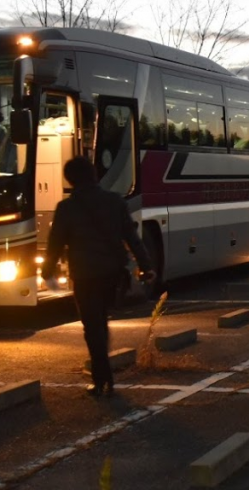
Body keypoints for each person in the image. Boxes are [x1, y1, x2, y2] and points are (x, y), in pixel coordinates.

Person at [41, 156, 155, 396]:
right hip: (112, 273)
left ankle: (102, 378)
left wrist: (47, 272)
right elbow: (132, 237)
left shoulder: (66, 208)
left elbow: (55, 244)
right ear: (94, 175)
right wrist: (146, 266)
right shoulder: (114, 201)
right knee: (101, 320)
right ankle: (104, 375)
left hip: (84, 274)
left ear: (69, 179)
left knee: (92, 325)